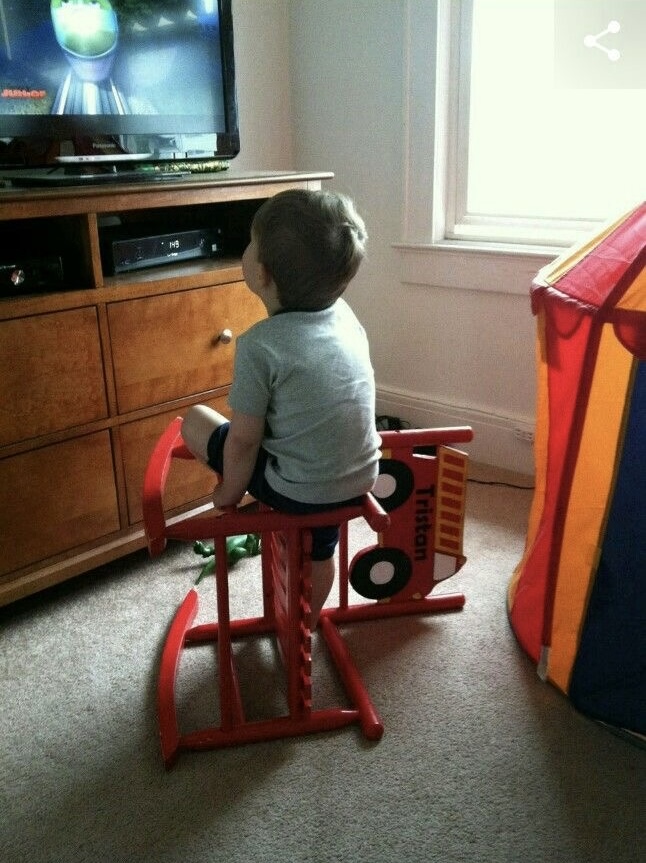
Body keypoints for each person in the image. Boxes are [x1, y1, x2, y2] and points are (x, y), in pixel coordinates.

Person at [181, 189, 381, 625]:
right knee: (319, 546)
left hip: (299, 489)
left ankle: (296, 608)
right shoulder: (346, 316)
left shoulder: (259, 346)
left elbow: (244, 441)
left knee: (197, 420)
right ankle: (305, 622)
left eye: (250, 242)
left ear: (263, 274)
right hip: (357, 477)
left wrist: (229, 493)